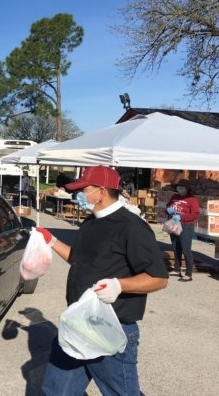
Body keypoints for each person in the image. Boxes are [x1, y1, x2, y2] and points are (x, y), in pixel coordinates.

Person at [36, 165, 168, 395]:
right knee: (56, 390)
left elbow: (158, 278)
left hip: (110, 327)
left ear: (102, 191)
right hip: (78, 322)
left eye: (84, 190)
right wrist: (51, 241)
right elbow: (79, 260)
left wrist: (120, 285)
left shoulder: (133, 227)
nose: (79, 195)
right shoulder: (90, 223)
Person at [166, 179, 200, 282]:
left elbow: (195, 214)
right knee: (176, 247)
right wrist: (168, 210)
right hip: (174, 224)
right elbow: (168, 206)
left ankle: (188, 274)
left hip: (186, 226)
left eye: (182, 187)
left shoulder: (192, 199)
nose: (180, 189)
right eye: (178, 187)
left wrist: (182, 217)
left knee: (186, 249)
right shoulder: (174, 197)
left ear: (187, 189)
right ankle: (177, 269)